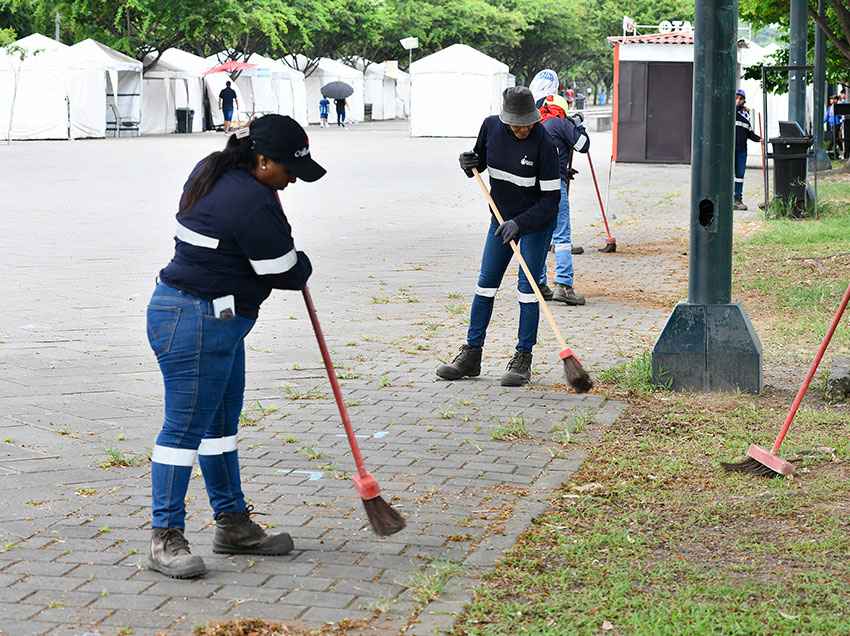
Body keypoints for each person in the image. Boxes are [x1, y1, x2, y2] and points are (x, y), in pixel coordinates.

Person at [145, 114, 326, 579]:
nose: (290, 181)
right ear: (261, 160)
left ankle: (233, 525)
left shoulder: (222, 172)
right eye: (288, 170)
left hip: (218, 320)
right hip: (193, 320)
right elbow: (283, 270)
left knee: (220, 428)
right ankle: (164, 537)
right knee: (183, 431)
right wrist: (300, 261)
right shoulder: (248, 198)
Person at [436, 87, 560, 388]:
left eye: (527, 123)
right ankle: (471, 355)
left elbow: (551, 202)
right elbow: (479, 163)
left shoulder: (544, 143)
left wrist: (520, 223)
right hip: (500, 218)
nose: (522, 129)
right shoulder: (491, 127)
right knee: (486, 284)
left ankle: (522, 357)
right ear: (505, 119)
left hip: (534, 223)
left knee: (526, 288)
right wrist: (469, 163)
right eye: (516, 124)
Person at [535, 95, 590, 305]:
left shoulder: (537, 124)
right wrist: (578, 127)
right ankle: (564, 285)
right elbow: (583, 145)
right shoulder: (560, 122)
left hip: (534, 187)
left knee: (539, 235)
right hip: (555, 186)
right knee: (562, 237)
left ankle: (538, 283)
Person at [734, 89, 761, 211]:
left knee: (740, 175)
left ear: (744, 100)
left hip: (741, 150)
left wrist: (760, 139)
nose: (738, 100)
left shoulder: (746, 115)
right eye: (736, 97)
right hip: (729, 150)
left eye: (741, 98)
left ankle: (737, 199)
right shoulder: (728, 112)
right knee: (728, 175)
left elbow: (749, 133)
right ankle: (726, 199)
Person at [824, 94, 843, 159]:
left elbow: (841, 116)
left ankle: (828, 149)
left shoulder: (838, 107)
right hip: (832, 125)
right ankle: (841, 150)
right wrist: (822, 122)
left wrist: (841, 122)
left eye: (832, 99)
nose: (831, 100)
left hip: (837, 124)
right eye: (831, 99)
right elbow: (826, 117)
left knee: (833, 137)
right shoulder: (829, 108)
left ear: (836, 100)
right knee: (836, 138)